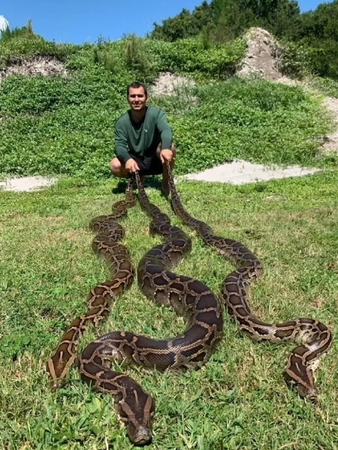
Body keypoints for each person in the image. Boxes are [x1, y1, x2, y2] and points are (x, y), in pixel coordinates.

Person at [110, 81, 175, 195]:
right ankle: (139, 176)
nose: (136, 99)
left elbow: (166, 130)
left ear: (146, 98)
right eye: (132, 96)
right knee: (115, 165)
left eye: (140, 96)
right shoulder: (122, 122)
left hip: (156, 159)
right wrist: (127, 159)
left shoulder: (156, 114)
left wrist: (165, 148)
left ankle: (166, 182)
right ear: (127, 99)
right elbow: (119, 146)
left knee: (171, 147)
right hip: (137, 160)